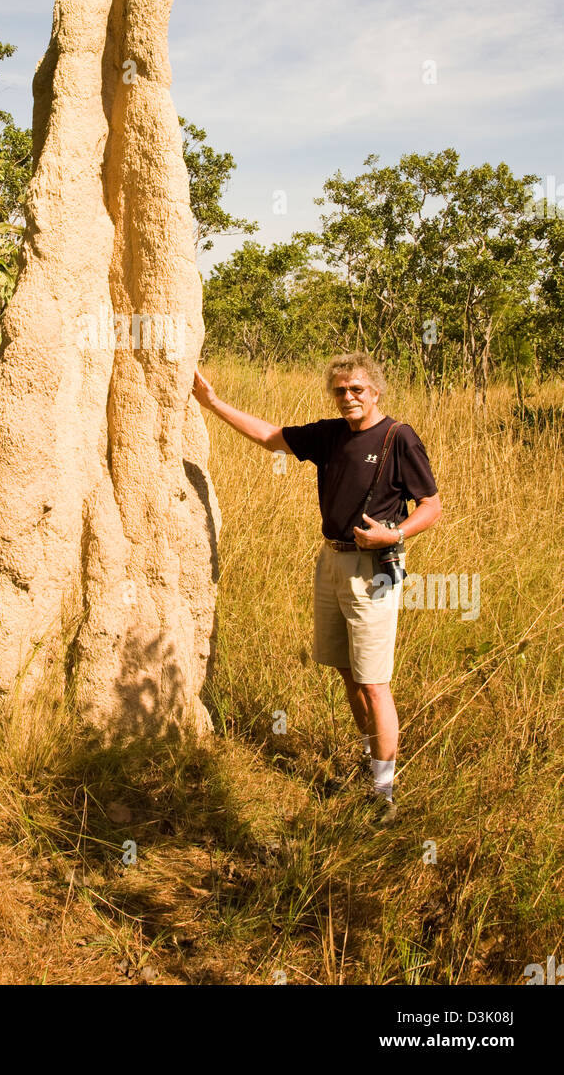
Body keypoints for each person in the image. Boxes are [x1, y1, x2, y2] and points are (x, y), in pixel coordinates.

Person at [192, 352, 442, 827]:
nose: (348, 397)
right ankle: (372, 772)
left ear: (376, 391)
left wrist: (394, 534)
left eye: (357, 389)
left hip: (374, 569)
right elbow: (271, 439)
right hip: (331, 561)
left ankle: (384, 794)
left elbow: (432, 505)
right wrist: (212, 403)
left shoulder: (398, 437)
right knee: (348, 674)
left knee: (374, 683)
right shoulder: (329, 434)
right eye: (340, 390)